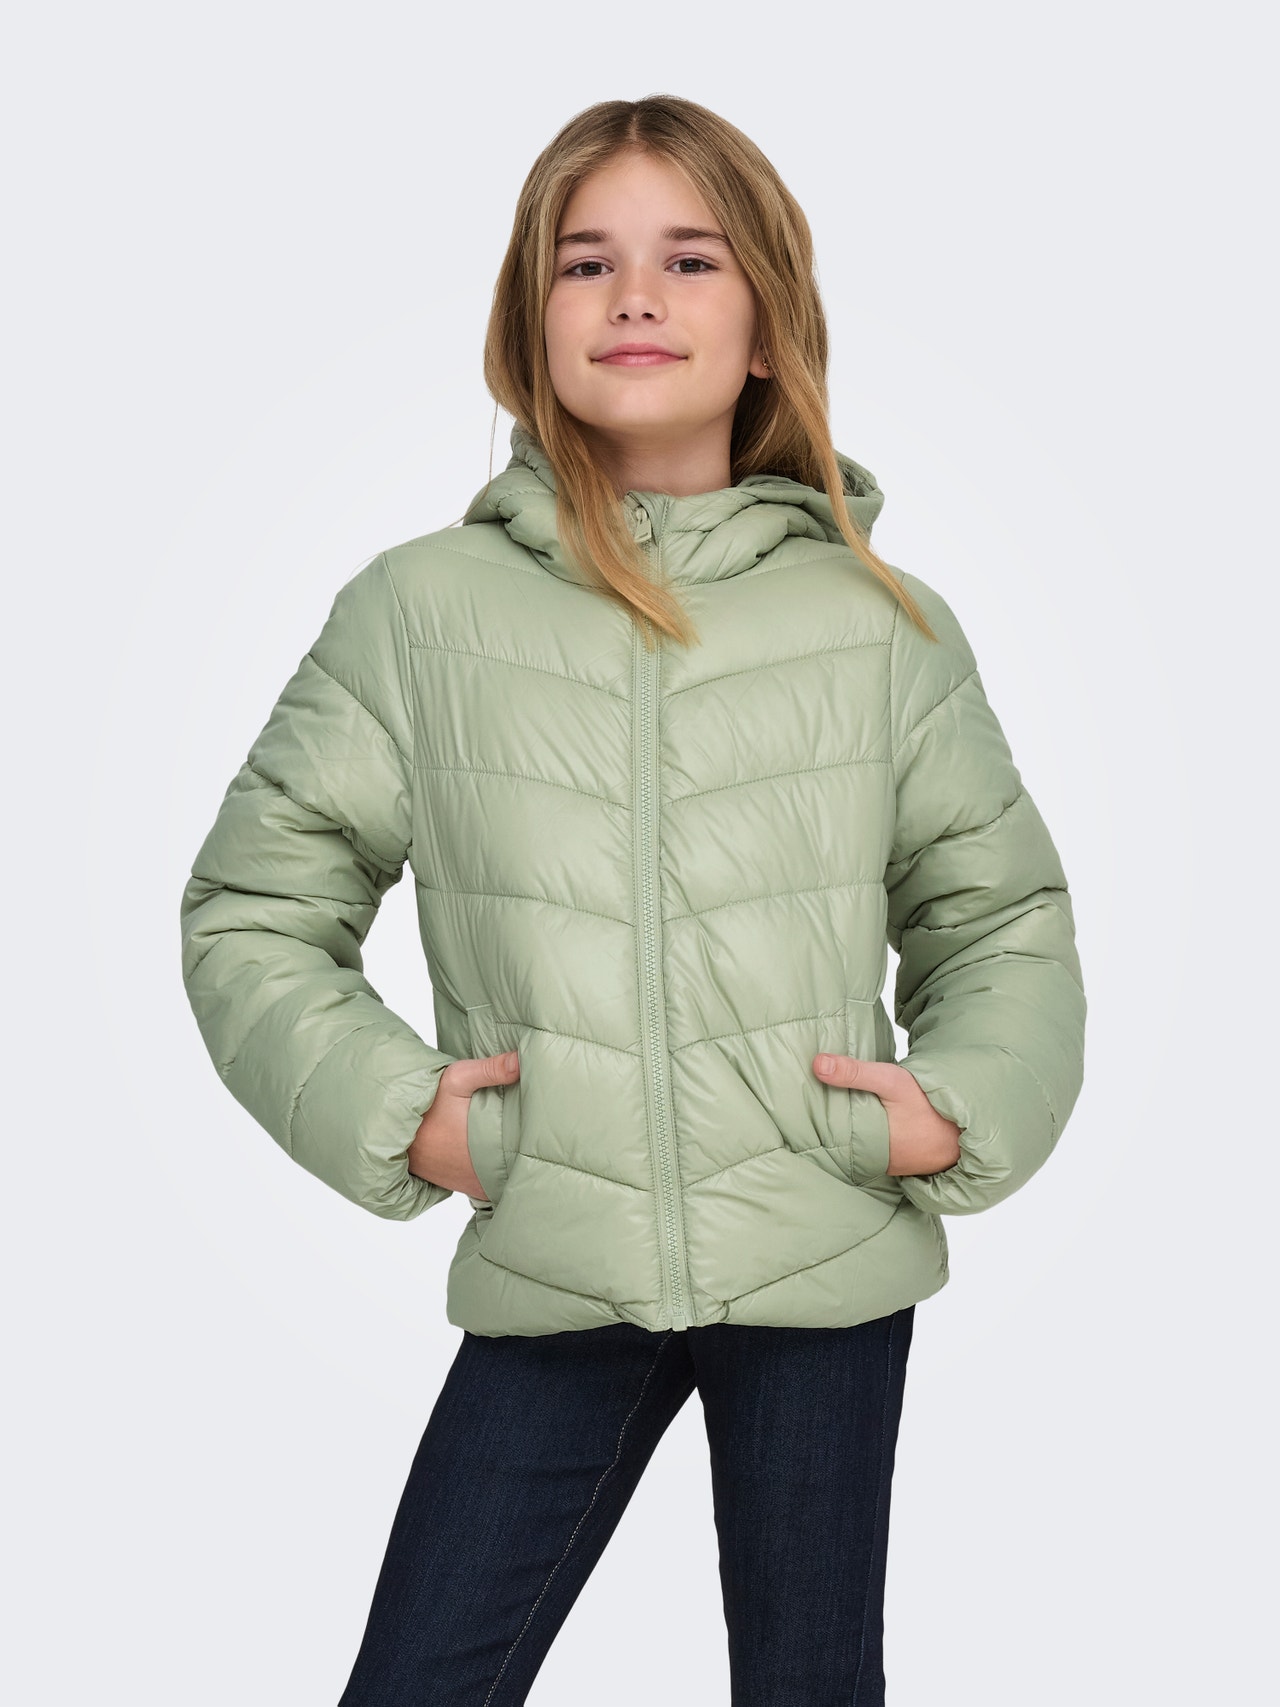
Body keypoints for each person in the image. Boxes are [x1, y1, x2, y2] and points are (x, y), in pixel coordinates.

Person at [179, 94, 1086, 1707]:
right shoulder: (419, 615)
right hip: (558, 1249)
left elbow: (999, 917)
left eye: (691, 259)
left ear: (767, 326)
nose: (636, 296)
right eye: (585, 262)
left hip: (822, 1248)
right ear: (530, 325)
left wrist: (947, 1111)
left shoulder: (881, 625)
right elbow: (254, 905)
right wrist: (411, 1118)